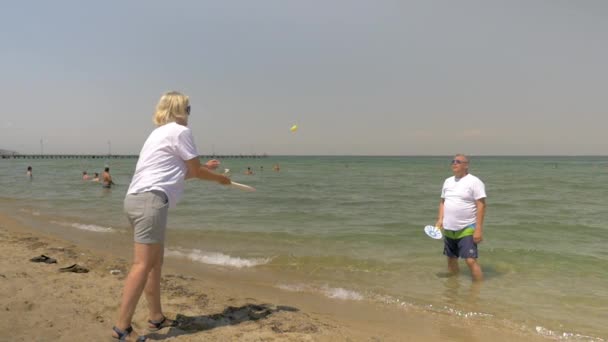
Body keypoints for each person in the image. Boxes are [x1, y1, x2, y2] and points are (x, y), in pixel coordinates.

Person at [111, 91, 231, 341]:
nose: (189, 113)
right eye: (188, 108)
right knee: (143, 265)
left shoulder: (158, 133)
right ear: (178, 110)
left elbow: (177, 174)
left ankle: (156, 317)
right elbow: (194, 172)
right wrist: (219, 178)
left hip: (137, 200)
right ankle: (122, 328)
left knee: (154, 264)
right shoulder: (180, 131)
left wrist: (203, 169)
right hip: (150, 202)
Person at [435, 154, 486, 281]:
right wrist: (440, 219)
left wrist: (478, 229)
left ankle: (478, 291)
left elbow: (481, 205)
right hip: (449, 227)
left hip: (467, 227)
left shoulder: (474, 181)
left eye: (458, 161)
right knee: (451, 260)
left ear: (466, 165)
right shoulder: (447, 181)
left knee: (470, 260)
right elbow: (443, 202)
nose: (454, 163)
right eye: (453, 161)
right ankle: (453, 289)